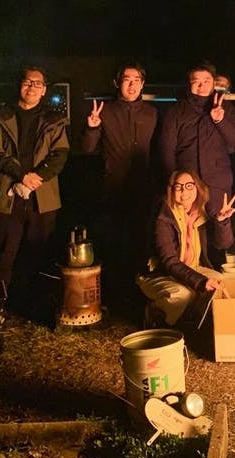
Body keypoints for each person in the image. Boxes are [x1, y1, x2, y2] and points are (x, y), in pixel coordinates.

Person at [0, 65, 69, 295]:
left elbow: (60, 154)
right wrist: (22, 175)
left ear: (44, 90)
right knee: (4, 253)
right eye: (27, 82)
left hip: (42, 198)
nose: (32, 87)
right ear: (19, 85)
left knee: (39, 254)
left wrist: (36, 178)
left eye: (38, 83)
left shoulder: (54, 120)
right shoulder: (1, 115)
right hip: (8, 195)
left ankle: (33, 302)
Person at [81, 61, 158, 303]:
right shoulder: (105, 111)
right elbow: (87, 149)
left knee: (140, 243)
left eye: (136, 80)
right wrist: (92, 128)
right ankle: (112, 299)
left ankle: (138, 298)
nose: (132, 85)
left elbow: (158, 150)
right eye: (127, 79)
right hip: (112, 188)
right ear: (117, 83)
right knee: (112, 244)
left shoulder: (151, 113)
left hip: (142, 189)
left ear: (143, 84)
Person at [137, 170, 235, 327]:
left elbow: (223, 244)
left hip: (191, 267)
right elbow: (169, 261)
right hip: (160, 273)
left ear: (198, 188)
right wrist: (201, 282)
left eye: (189, 185)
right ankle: (156, 312)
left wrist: (221, 221)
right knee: (182, 294)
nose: (184, 191)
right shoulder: (163, 217)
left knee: (223, 283)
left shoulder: (200, 214)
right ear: (172, 191)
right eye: (178, 187)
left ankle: (193, 321)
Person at [160, 62, 235, 219]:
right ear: (189, 84)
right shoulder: (176, 111)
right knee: (186, 229)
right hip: (186, 186)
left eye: (206, 81)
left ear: (213, 82)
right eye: (196, 81)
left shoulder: (225, 107)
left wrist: (220, 120)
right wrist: (175, 183)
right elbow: (167, 150)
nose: (202, 86)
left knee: (220, 226)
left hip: (217, 183)